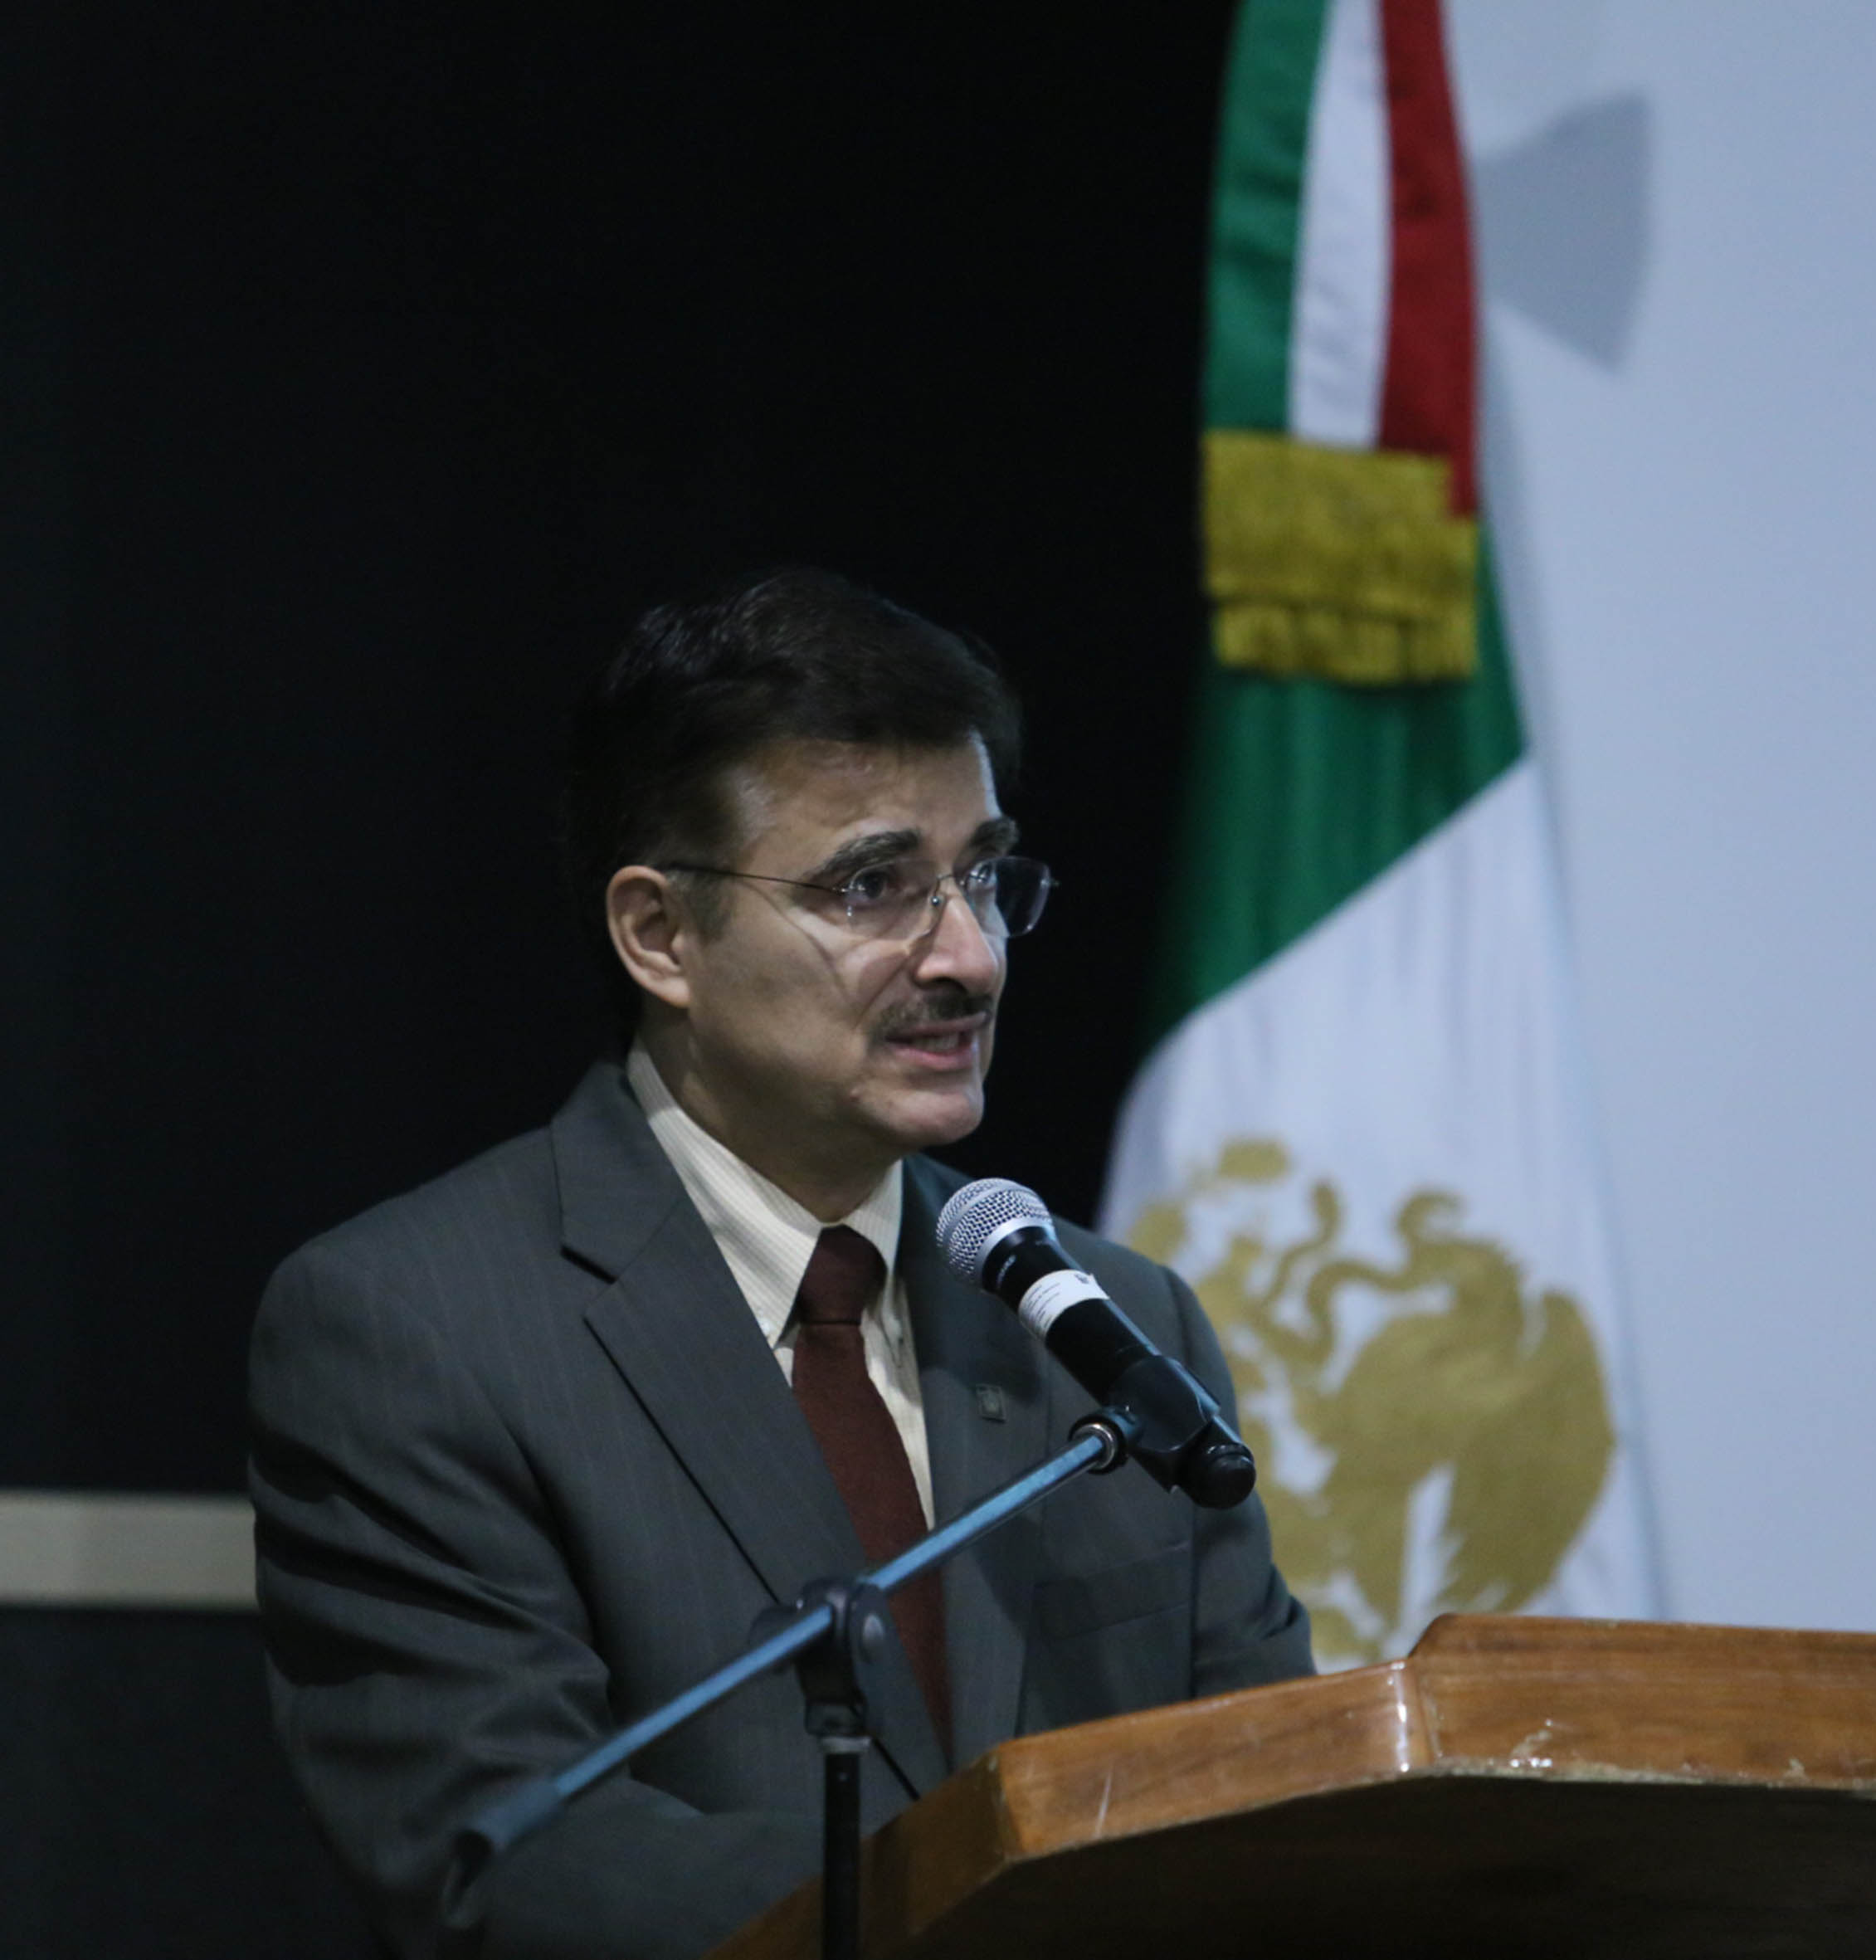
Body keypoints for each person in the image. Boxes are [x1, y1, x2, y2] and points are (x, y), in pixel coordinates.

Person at [251, 568, 1310, 1960]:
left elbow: (1268, 1801)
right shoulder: (416, 1326)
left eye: (984, 876)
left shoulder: (1108, 1323)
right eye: (874, 886)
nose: (972, 957)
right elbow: (502, 1856)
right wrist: (991, 1906)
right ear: (661, 935)